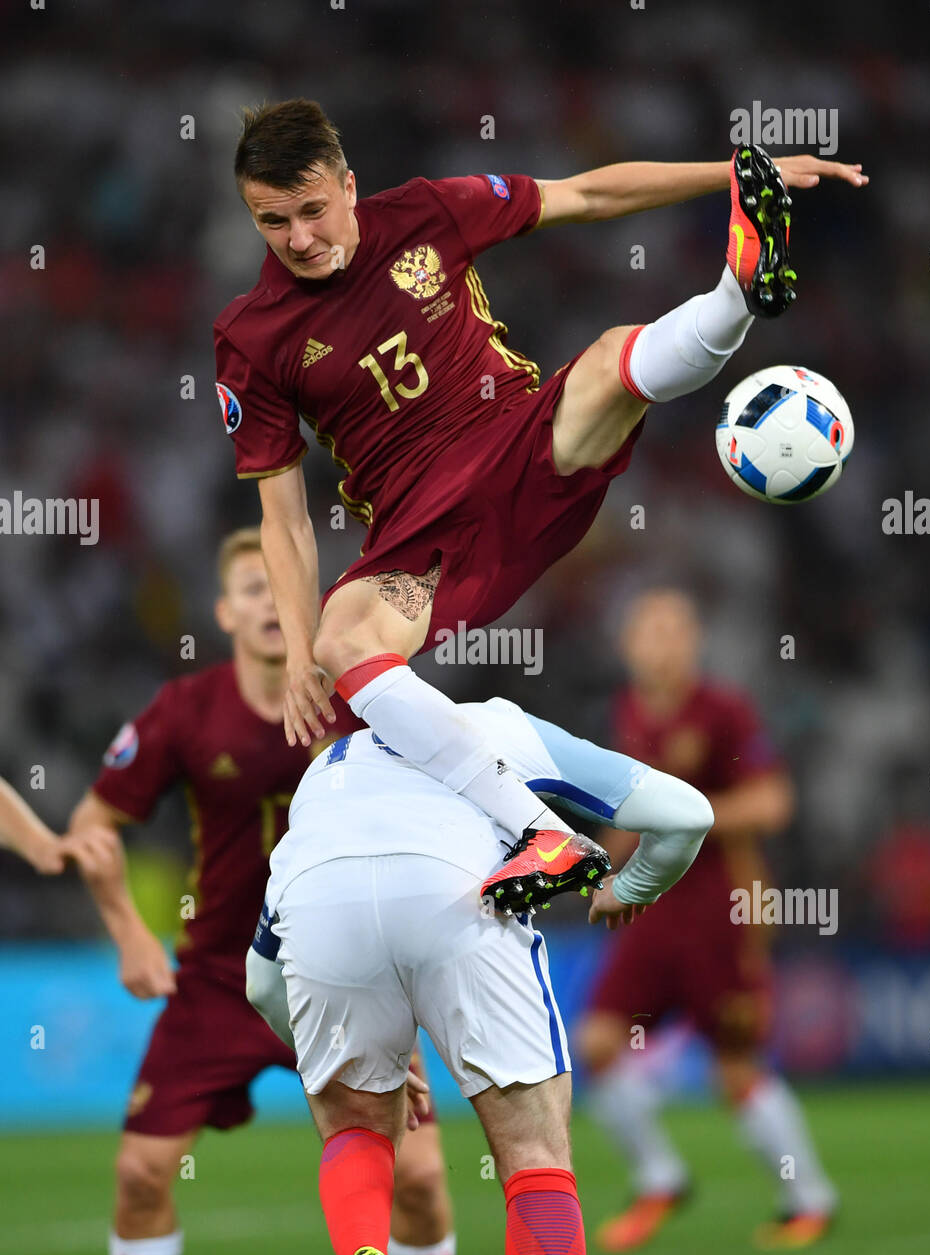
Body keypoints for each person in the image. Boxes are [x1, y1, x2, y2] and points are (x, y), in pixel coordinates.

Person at [213, 98, 867, 911]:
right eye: (273, 222)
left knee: (603, 362)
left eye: (312, 211)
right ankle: (542, 832)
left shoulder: (424, 211)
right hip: (422, 536)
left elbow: (585, 196)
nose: (300, 239)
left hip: (522, 437)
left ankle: (739, 286)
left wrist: (732, 172)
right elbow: (283, 518)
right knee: (344, 636)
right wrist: (300, 651)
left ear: (349, 186)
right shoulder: (251, 337)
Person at [68, 528, 456, 1255]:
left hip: (349, 975)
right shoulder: (185, 710)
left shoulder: (365, 698)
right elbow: (91, 824)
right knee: (142, 1172)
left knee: (416, 1178)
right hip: (218, 979)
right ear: (224, 613)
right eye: (248, 589)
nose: (267, 603)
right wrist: (127, 931)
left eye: (273, 586)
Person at [246, 694, 715, 1255]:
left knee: (355, 1129)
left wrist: (338, 1063)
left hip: (321, 909)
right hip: (457, 899)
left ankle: (364, 1250)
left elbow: (260, 984)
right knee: (533, 1153)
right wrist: (631, 887)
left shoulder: (327, 763)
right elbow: (688, 814)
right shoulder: (500, 724)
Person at [575, 590, 837, 1251]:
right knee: (599, 1043)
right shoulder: (627, 711)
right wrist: (598, 869)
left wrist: (685, 816)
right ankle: (659, 1178)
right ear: (626, 645)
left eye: (673, 630)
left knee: (735, 1069)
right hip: (650, 913)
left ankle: (807, 1199)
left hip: (718, 912)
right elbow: (632, 818)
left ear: (693, 643)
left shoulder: (722, 711)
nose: (660, 644)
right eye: (648, 631)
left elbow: (773, 803)